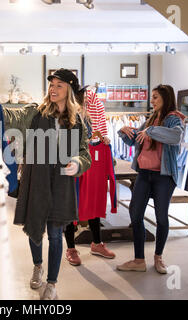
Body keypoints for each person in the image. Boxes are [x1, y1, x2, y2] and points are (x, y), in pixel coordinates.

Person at [0, 68, 91, 300]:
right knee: (35, 231)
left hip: (62, 183)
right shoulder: (37, 113)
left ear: (69, 90)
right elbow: (11, 118)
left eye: (59, 85)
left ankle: (52, 282)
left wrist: (77, 163)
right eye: (52, 85)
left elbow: (85, 153)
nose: (53, 89)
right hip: (37, 179)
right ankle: (37, 266)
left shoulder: (77, 121)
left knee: (54, 234)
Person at [116, 84, 185, 274]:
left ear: (165, 98)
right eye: (152, 97)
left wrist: (151, 131)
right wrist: (124, 132)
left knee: (161, 217)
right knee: (135, 214)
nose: (152, 101)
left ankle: (158, 257)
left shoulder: (174, 119)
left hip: (163, 176)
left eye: (155, 97)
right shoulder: (149, 120)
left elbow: (175, 137)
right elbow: (135, 140)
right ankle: (139, 260)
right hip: (144, 174)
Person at [64, 89, 116, 266]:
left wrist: (103, 140)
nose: (87, 103)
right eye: (84, 100)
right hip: (72, 163)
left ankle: (96, 243)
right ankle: (70, 248)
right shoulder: (68, 114)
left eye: (89, 100)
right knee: (71, 206)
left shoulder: (92, 113)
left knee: (93, 202)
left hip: (91, 160)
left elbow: (97, 135)